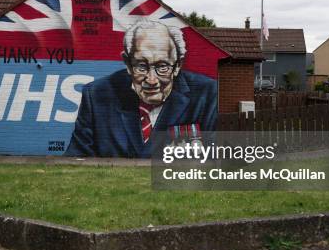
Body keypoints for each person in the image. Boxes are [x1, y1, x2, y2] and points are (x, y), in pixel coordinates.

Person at [65, 19, 218, 158]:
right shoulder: (97, 95)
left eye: (162, 66)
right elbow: (76, 161)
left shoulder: (207, 94)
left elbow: (212, 160)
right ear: (127, 64)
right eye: (141, 66)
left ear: (177, 65)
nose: (152, 80)